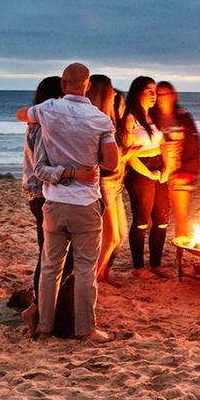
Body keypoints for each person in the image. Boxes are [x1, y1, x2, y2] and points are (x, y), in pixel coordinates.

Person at [16, 62, 119, 342]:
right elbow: (112, 162)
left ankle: (45, 327)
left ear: (63, 84)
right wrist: (89, 161)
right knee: (85, 269)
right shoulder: (99, 119)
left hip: (53, 202)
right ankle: (86, 329)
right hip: (84, 203)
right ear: (87, 85)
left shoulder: (48, 110)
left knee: (51, 267)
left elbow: (21, 114)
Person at [18, 76, 67, 318]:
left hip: (36, 193)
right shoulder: (41, 124)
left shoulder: (37, 120)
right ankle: (38, 306)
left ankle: (42, 302)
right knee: (48, 252)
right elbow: (42, 166)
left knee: (47, 250)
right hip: (41, 193)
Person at [122, 76, 168, 276]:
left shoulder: (154, 118)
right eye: (149, 91)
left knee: (162, 219)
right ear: (137, 92)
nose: (153, 95)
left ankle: (156, 264)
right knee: (141, 220)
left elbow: (163, 144)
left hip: (159, 167)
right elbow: (128, 154)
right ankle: (139, 267)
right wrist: (149, 173)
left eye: (155, 91)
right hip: (140, 171)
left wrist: (166, 168)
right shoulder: (130, 118)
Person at [87, 75, 127, 285]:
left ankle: (102, 274)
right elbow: (98, 159)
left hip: (115, 184)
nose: (115, 93)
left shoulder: (108, 121)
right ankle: (91, 280)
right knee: (111, 237)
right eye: (111, 90)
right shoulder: (96, 123)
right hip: (103, 185)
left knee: (119, 235)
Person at [154, 81, 200, 239]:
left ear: (173, 96)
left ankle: (179, 257)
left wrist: (188, 172)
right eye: (159, 94)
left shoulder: (183, 117)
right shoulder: (151, 118)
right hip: (158, 174)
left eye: (166, 94)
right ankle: (156, 257)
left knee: (181, 217)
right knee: (158, 219)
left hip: (181, 174)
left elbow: (194, 146)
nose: (162, 98)